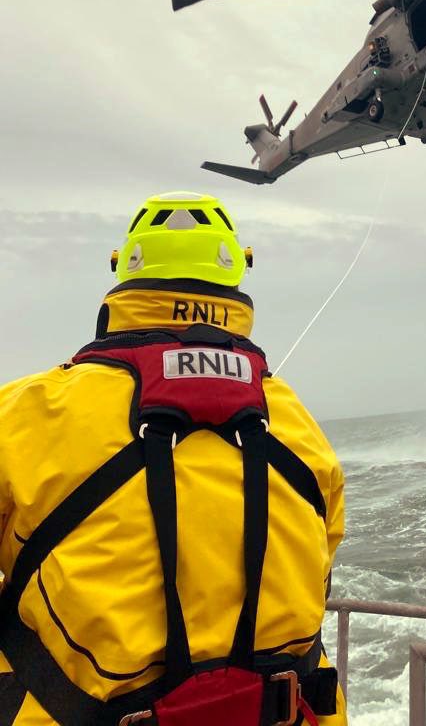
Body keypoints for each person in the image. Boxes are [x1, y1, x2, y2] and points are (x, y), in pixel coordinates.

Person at [0, 192, 347, 726]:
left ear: (123, 274)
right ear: (236, 276)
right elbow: (319, 568)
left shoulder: (23, 414)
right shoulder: (300, 425)